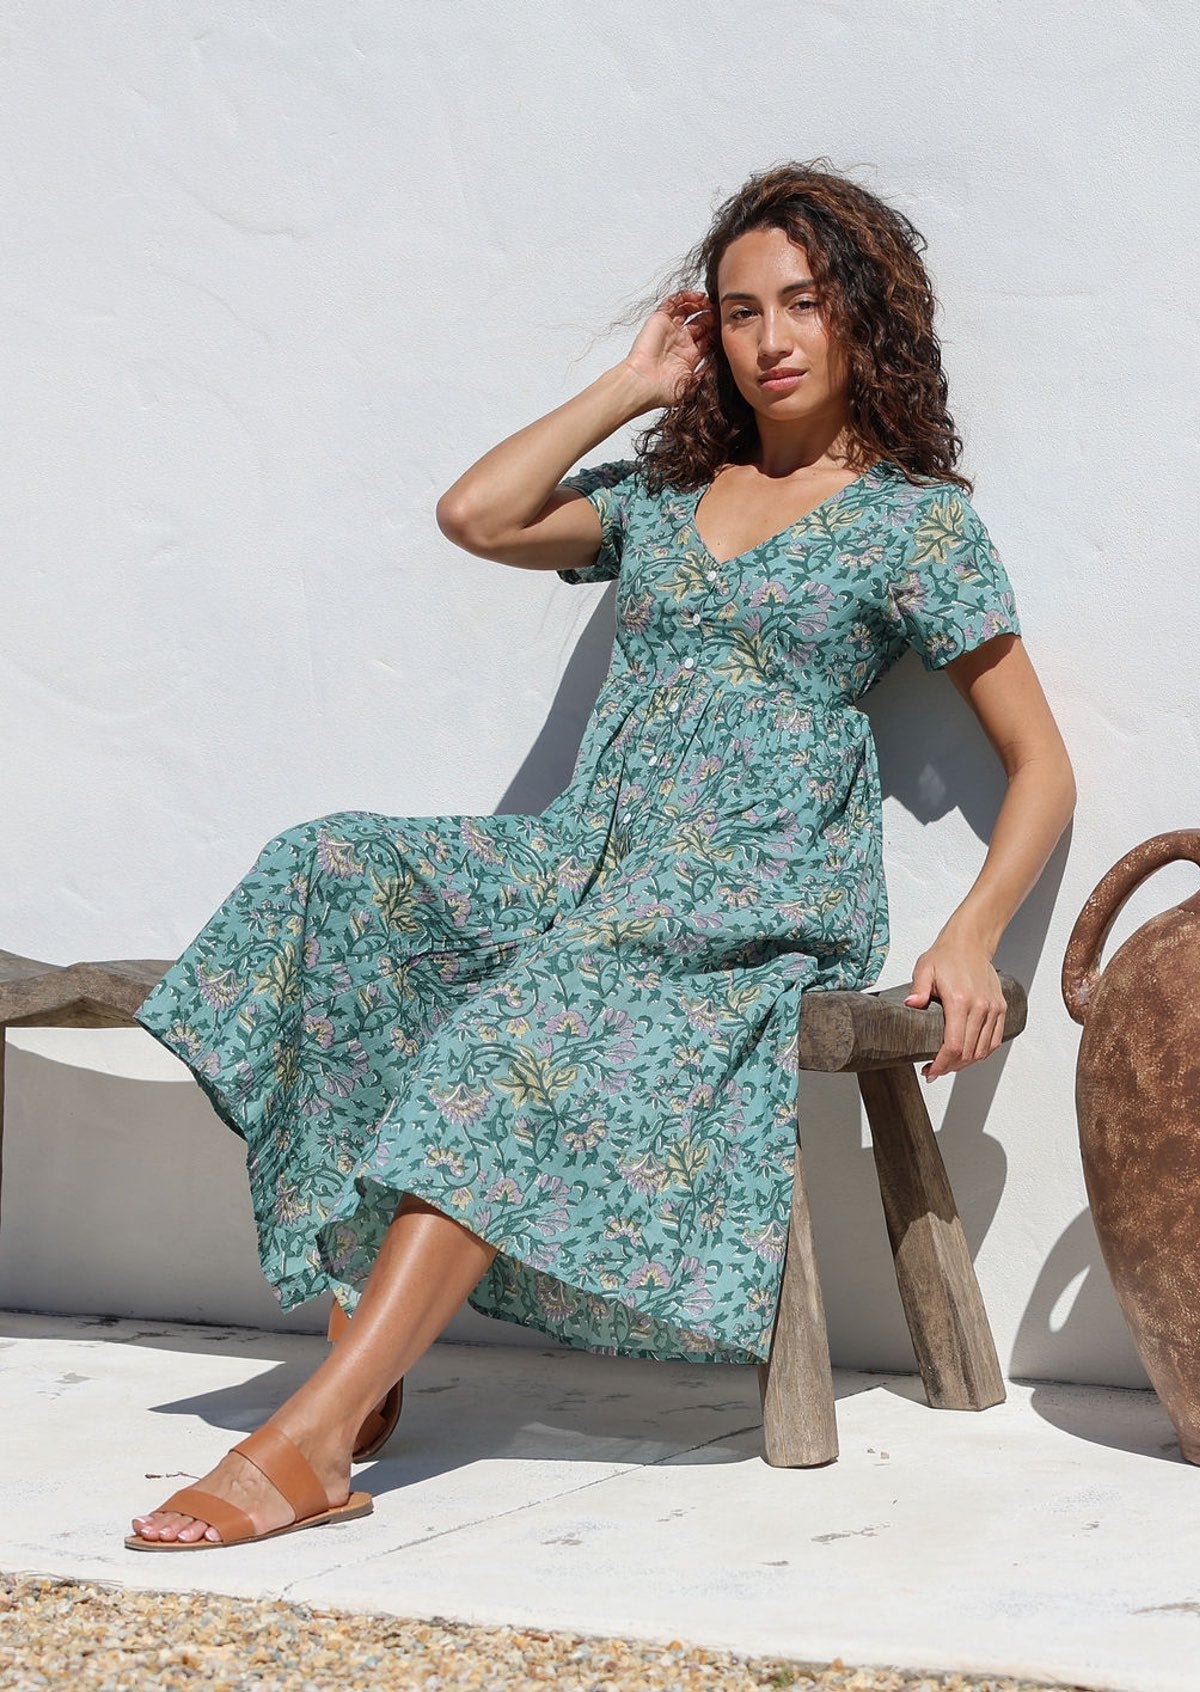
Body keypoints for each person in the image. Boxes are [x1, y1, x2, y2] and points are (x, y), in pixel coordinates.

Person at [126, 159, 1075, 1549]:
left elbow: (1042, 764)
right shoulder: (665, 496)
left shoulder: (915, 523)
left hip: (749, 893)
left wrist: (973, 930)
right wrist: (636, 386)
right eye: (743, 311)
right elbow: (479, 515)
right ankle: (358, 1330)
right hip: (589, 859)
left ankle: (319, 1436)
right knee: (335, 870)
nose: (774, 339)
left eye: (805, 303)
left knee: (518, 1036)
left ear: (865, 318)